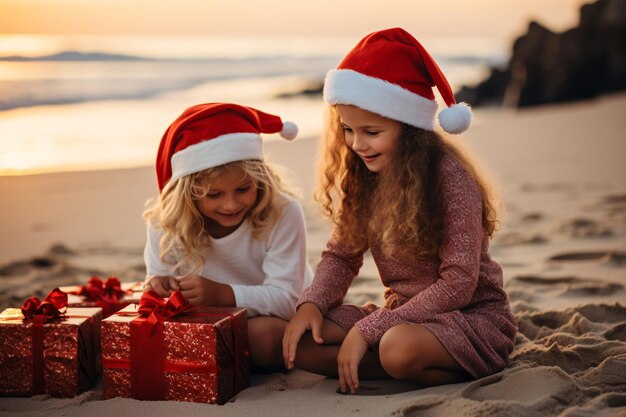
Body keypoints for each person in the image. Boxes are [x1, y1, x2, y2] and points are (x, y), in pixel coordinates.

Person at [282, 28, 517, 394]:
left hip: (470, 317)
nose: (357, 144)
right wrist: (311, 304)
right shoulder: (364, 175)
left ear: (409, 128)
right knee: (305, 341)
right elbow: (342, 256)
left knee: (395, 348)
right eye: (347, 129)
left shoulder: (449, 178)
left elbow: (458, 284)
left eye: (371, 132)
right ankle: (387, 364)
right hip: (403, 314)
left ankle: (403, 362)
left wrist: (369, 330)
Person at [143, 102, 313, 370]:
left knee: (263, 337)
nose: (231, 205)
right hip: (209, 321)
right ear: (187, 194)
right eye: (214, 194)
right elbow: (156, 286)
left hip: (277, 316)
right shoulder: (164, 224)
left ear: (260, 180)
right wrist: (158, 285)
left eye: (243, 189)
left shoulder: (283, 211)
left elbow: (288, 301)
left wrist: (223, 294)